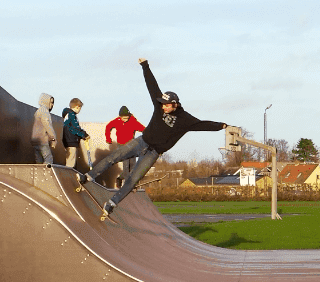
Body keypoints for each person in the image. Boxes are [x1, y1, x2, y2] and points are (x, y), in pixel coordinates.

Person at [77, 58, 229, 217]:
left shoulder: (185, 120)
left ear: (175, 104)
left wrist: (220, 126)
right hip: (141, 142)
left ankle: (112, 203)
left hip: (153, 153)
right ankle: (88, 176)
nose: (163, 107)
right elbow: (152, 85)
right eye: (162, 104)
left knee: (133, 179)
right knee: (114, 157)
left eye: (166, 105)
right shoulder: (159, 105)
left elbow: (202, 124)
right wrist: (145, 66)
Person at [104, 105, 146, 187]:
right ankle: (128, 185)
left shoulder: (133, 121)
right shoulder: (117, 121)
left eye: (127, 118)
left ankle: (120, 178)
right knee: (126, 165)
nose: (125, 120)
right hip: (122, 146)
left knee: (133, 166)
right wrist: (108, 138)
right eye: (124, 118)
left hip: (132, 146)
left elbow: (143, 129)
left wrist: (149, 136)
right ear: (120, 117)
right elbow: (108, 127)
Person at [61, 98, 92, 170]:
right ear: (77, 106)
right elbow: (75, 128)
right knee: (71, 163)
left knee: (71, 160)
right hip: (71, 141)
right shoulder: (72, 115)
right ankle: (68, 177)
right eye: (80, 108)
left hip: (67, 140)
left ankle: (70, 175)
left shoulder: (67, 114)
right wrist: (84, 135)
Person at [32, 93, 57, 164]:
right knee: (48, 159)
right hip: (42, 140)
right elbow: (47, 125)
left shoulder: (38, 111)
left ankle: (39, 175)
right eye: (51, 102)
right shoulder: (45, 111)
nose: (52, 105)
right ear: (46, 101)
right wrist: (53, 138)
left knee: (39, 160)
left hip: (35, 140)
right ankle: (46, 175)